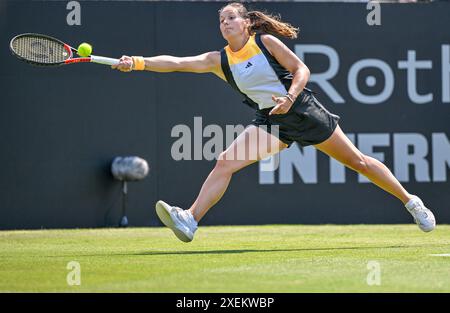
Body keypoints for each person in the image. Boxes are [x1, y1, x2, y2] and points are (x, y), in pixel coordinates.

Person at [112, 2, 436, 242]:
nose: (225, 23)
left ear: (246, 22)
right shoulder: (219, 59)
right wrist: (137, 63)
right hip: (271, 121)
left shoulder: (265, 43)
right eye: (221, 20)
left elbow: (302, 70)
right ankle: (190, 220)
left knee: (359, 162)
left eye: (231, 18)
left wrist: (291, 98)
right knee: (225, 162)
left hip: (303, 111)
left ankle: (411, 203)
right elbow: (177, 62)